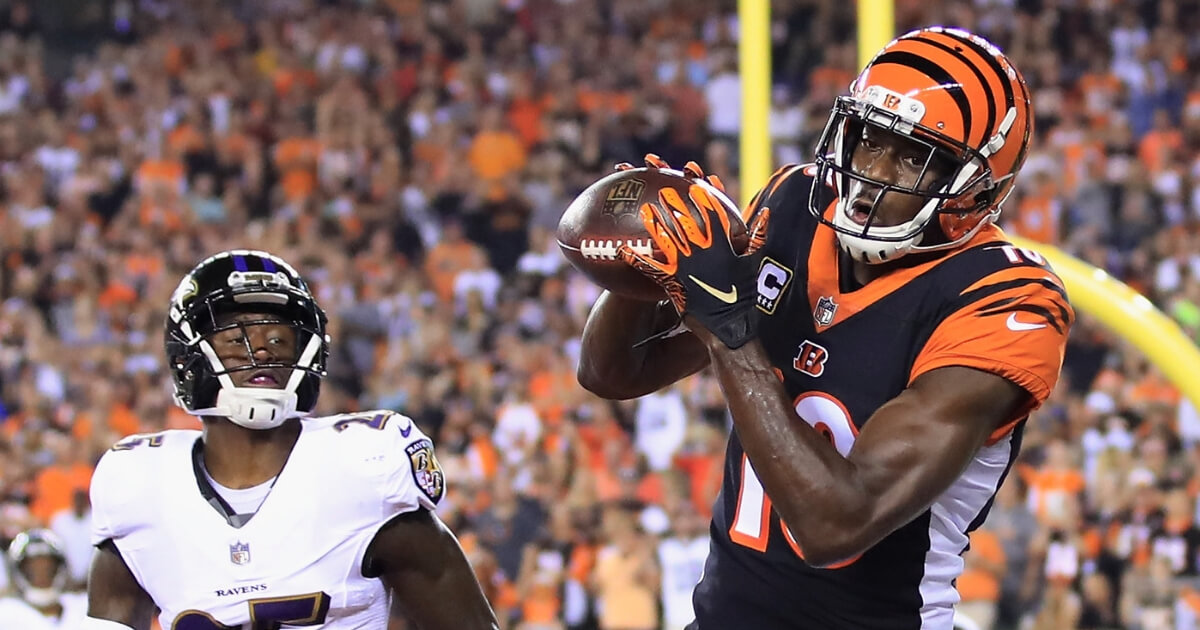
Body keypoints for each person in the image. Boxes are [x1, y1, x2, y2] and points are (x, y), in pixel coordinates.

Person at [577, 27, 1073, 629]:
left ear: (978, 184)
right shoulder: (794, 202)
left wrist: (728, 329)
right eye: (870, 140)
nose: (873, 174)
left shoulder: (1005, 298)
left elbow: (836, 524)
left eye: (915, 156)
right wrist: (655, 259)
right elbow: (611, 372)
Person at [84, 250, 499, 630]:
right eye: (236, 338)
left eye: (278, 338)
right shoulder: (138, 486)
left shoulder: (364, 468)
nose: (262, 352)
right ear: (186, 360)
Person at [0, 529, 87, 630]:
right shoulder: (7, 612)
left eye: (48, 568)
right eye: (32, 570)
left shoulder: (82, 607)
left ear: (59, 568)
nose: (41, 576)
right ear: (19, 571)